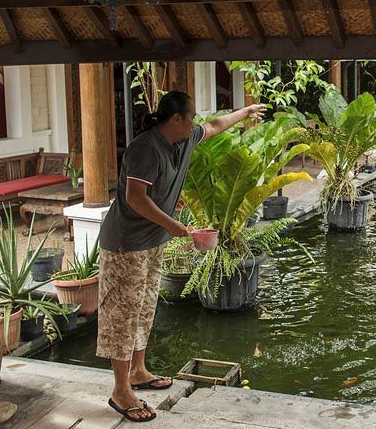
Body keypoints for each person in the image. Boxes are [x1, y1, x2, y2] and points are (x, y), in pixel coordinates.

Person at [97, 91, 265, 422]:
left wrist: (245, 112)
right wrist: (174, 224)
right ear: (176, 119)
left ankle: (138, 371)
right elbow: (135, 198)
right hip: (125, 244)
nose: (195, 122)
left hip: (151, 243)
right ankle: (120, 390)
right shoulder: (145, 148)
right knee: (123, 315)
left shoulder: (182, 142)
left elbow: (216, 125)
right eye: (191, 116)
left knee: (144, 308)